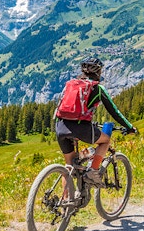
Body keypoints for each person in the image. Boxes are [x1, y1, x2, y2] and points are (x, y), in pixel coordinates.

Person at [54, 56, 137, 187]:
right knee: (105, 140)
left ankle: (66, 203)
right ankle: (92, 171)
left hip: (60, 126)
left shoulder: (71, 84)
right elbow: (114, 111)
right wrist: (130, 127)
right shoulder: (97, 88)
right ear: (98, 72)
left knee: (69, 166)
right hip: (81, 128)